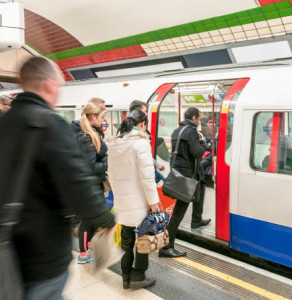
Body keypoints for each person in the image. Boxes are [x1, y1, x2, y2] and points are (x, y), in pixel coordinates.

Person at [0, 56, 115, 299]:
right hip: (42, 248)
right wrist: (104, 217)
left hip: (8, 246)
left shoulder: (5, 122)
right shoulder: (50, 124)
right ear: (50, 85)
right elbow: (77, 182)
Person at [107, 110, 159, 289]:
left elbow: (110, 174)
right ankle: (138, 275)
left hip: (122, 200)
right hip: (138, 201)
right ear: (142, 124)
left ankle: (125, 277)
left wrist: (119, 193)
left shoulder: (114, 144)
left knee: (127, 241)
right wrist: (153, 201)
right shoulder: (141, 143)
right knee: (144, 238)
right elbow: (147, 177)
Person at [159, 107, 211, 258]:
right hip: (187, 178)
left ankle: (196, 220)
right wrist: (201, 142)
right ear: (194, 118)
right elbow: (198, 152)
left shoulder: (177, 131)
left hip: (179, 175)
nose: (200, 121)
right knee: (177, 215)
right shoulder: (191, 131)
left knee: (192, 198)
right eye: (199, 119)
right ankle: (166, 247)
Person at [71, 99, 108, 263]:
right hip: (89, 185)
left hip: (89, 184)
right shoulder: (87, 137)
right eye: (101, 117)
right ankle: (83, 253)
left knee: (90, 219)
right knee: (87, 220)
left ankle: (85, 248)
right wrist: (108, 162)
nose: (103, 120)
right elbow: (91, 166)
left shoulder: (89, 132)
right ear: (92, 117)